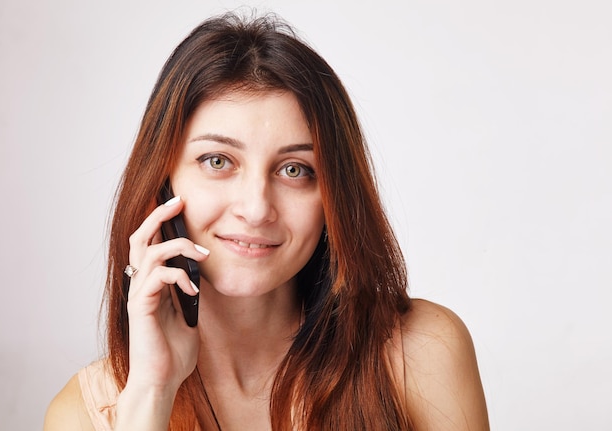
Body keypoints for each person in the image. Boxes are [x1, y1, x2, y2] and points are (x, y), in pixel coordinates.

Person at [44, 11, 489, 431]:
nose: (256, 209)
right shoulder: (83, 414)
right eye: (217, 161)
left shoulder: (423, 354)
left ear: (334, 195)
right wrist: (151, 392)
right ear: (161, 180)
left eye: (294, 170)